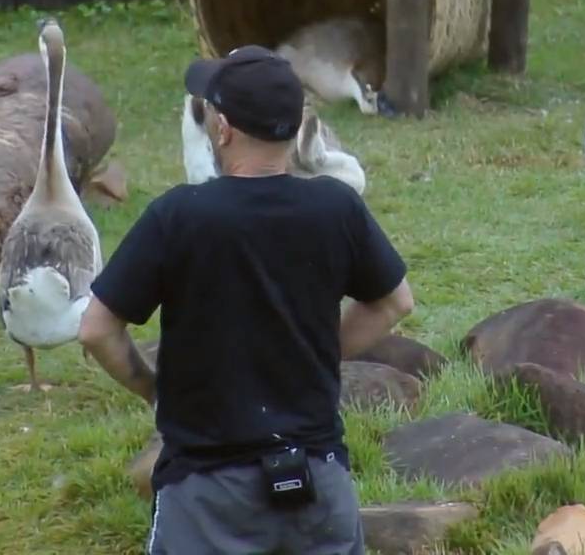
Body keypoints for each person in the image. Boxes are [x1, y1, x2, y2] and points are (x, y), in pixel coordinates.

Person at [77, 45, 415, 555]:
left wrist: (153, 389)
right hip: (317, 484)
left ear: (223, 128)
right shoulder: (336, 207)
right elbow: (394, 303)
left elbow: (97, 329)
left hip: (206, 494)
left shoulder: (179, 217)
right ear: (295, 125)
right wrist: (318, 354)